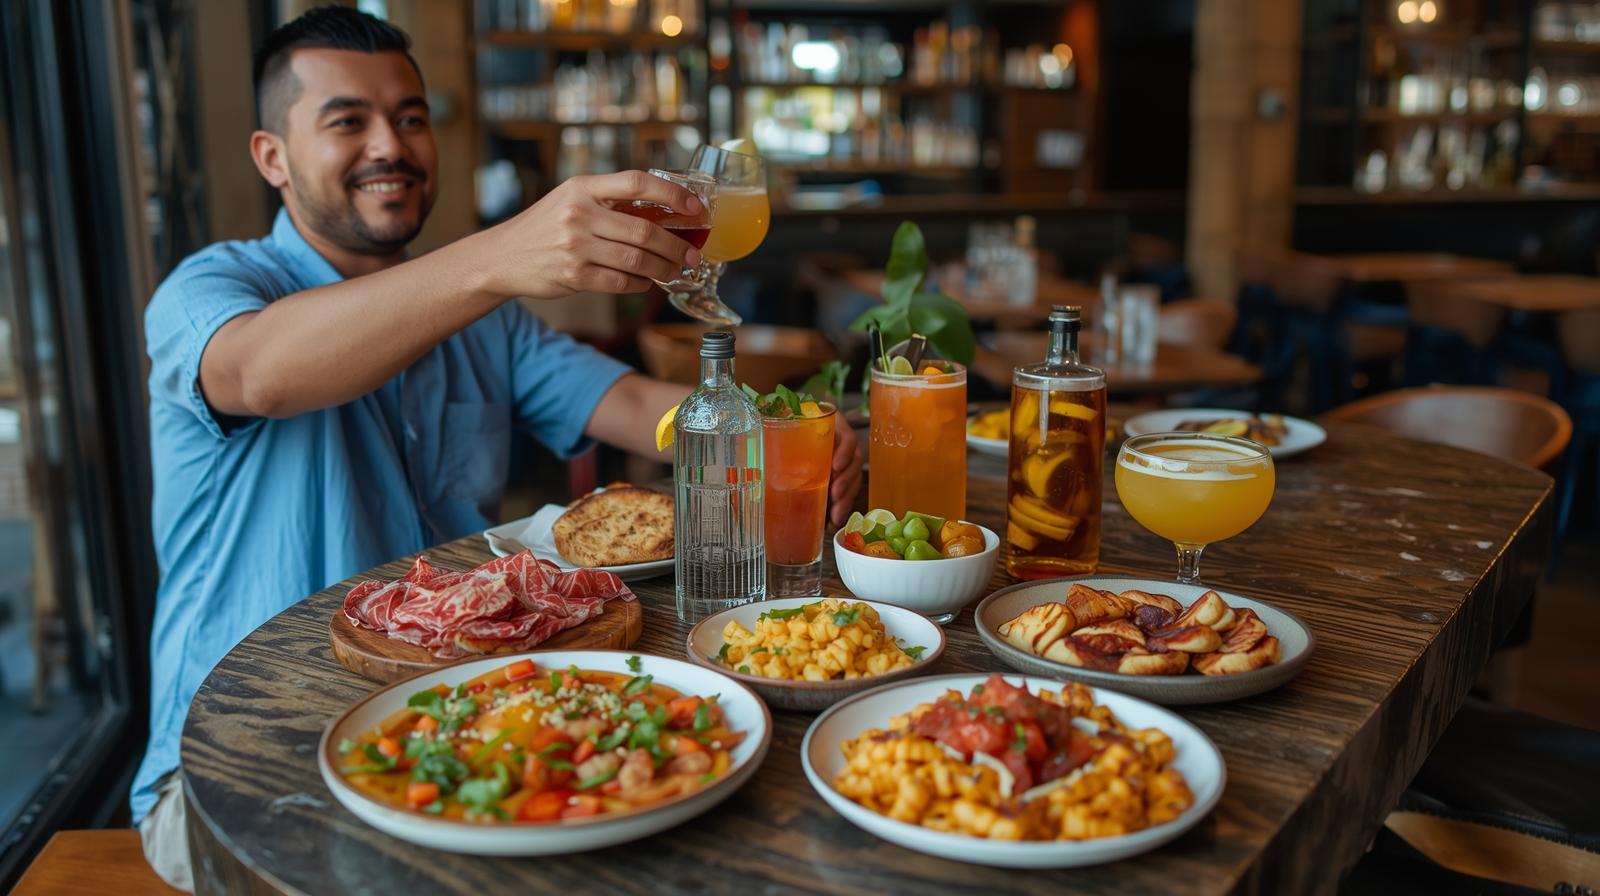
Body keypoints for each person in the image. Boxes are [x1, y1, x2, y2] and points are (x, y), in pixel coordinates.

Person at [131, 7, 861, 889]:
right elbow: (261, 376)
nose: (388, 145)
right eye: (346, 121)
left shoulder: (487, 323)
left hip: (463, 727)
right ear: (271, 157)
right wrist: (498, 254)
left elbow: (634, 403)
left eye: (409, 117)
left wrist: (765, 436)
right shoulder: (210, 287)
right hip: (237, 770)